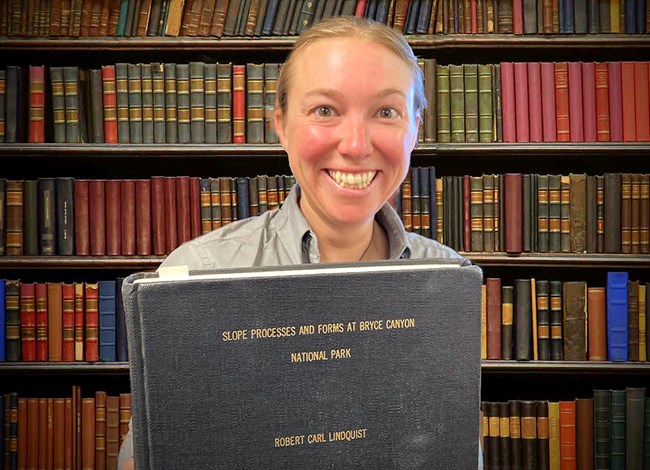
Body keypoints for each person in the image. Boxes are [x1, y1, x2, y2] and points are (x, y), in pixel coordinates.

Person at [118, 15, 481, 470]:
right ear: (281, 125)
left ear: (415, 129)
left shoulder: (448, 282)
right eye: (325, 110)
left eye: (386, 112)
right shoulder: (197, 273)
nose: (355, 144)